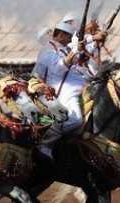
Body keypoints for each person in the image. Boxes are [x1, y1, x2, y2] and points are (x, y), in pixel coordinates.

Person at [33, 20, 93, 156]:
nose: (70, 39)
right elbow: (58, 68)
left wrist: (80, 50)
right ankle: (46, 143)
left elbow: (77, 56)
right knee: (75, 120)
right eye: (68, 36)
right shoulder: (48, 50)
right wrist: (75, 51)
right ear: (60, 34)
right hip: (56, 92)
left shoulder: (63, 48)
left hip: (77, 89)